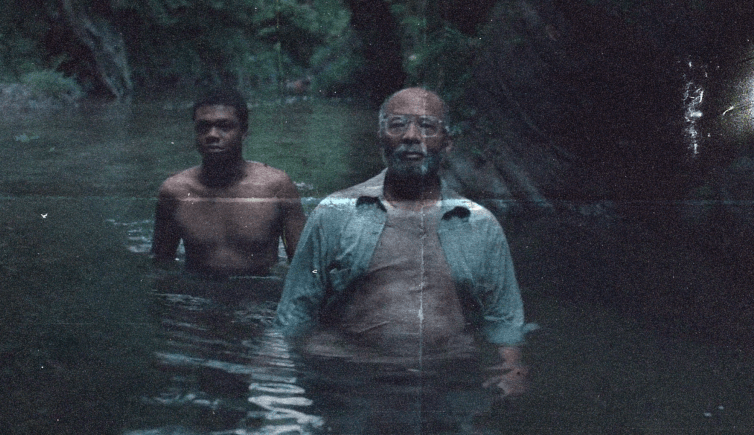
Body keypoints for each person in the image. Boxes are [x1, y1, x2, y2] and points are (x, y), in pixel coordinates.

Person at [276, 87, 528, 432]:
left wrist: (512, 371)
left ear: (448, 142)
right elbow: (295, 311)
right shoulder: (334, 213)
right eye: (398, 125)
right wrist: (276, 377)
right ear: (381, 138)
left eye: (426, 126)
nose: (411, 136)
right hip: (353, 382)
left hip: (449, 384)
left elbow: (505, 318)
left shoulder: (479, 225)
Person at [151, 87, 306, 278]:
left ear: (244, 130)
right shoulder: (175, 191)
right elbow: (160, 263)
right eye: (203, 127)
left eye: (224, 126)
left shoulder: (276, 186)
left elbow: (306, 264)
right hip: (199, 295)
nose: (212, 135)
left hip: (259, 296)